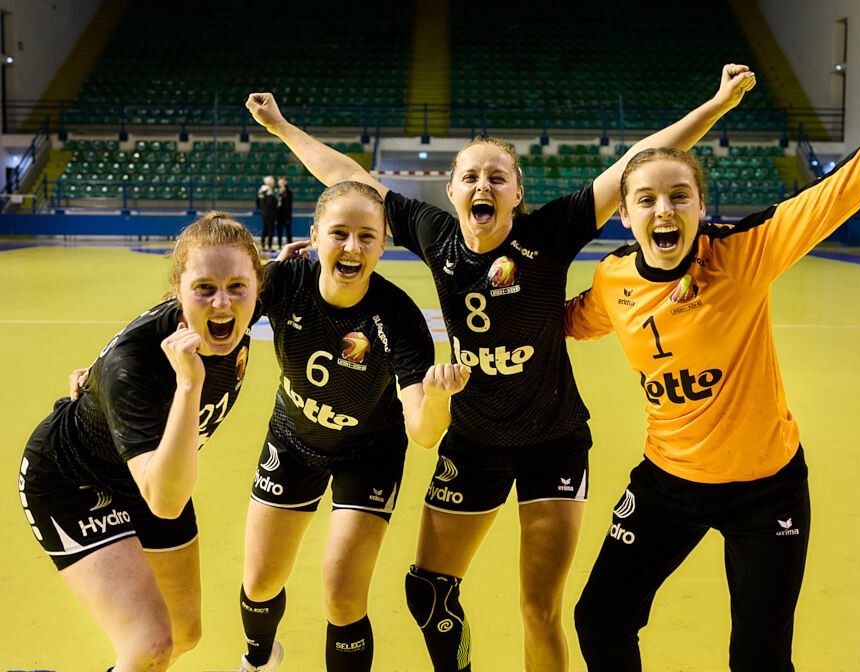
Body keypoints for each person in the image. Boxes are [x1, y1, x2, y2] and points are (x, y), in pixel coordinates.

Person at [245, 63, 755, 672]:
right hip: (475, 439)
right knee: (427, 589)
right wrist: (282, 127)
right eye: (470, 176)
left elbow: (635, 164)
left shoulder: (550, 232)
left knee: (539, 608)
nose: (482, 184)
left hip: (553, 440)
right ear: (452, 191)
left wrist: (717, 105)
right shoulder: (436, 235)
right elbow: (348, 180)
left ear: (516, 193)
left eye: (497, 176)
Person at [563, 49, 860, 672]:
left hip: (766, 491)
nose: (664, 210)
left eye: (679, 196)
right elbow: (562, 323)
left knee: (760, 657)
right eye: (646, 200)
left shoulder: (742, 255)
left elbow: (843, 188)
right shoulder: (612, 280)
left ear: (700, 208)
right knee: (600, 618)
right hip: (667, 482)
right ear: (623, 216)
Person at [234, 181, 470, 672]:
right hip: (293, 440)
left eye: (367, 236)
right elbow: (214, 315)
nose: (352, 247)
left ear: (383, 245)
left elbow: (424, 433)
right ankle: (258, 660)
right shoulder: (284, 281)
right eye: (339, 233)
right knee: (259, 583)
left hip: (369, 456)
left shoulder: (399, 317)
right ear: (315, 236)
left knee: (343, 597)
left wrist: (438, 400)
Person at [17, 213, 264, 671]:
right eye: (203, 288)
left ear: (258, 286)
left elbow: (329, 273)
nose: (222, 303)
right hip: (71, 480)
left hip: (149, 469)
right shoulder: (136, 366)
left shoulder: (242, 304)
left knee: (184, 633)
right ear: (177, 290)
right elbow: (166, 503)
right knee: (150, 646)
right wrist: (188, 385)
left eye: (237, 287)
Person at [257, 175, 278, 250]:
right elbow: (270, 202)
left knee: (265, 229)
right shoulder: (268, 191)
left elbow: (257, 202)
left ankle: (262, 244)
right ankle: (269, 246)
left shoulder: (261, 190)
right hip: (270, 213)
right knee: (270, 230)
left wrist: (262, 209)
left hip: (264, 212)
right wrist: (276, 201)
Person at [276, 177, 294, 246]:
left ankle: (291, 245)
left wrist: (285, 186)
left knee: (288, 231)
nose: (281, 184)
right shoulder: (277, 192)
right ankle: (279, 245)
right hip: (279, 215)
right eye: (280, 183)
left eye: (282, 183)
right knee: (279, 232)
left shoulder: (288, 192)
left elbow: (288, 203)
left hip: (286, 215)